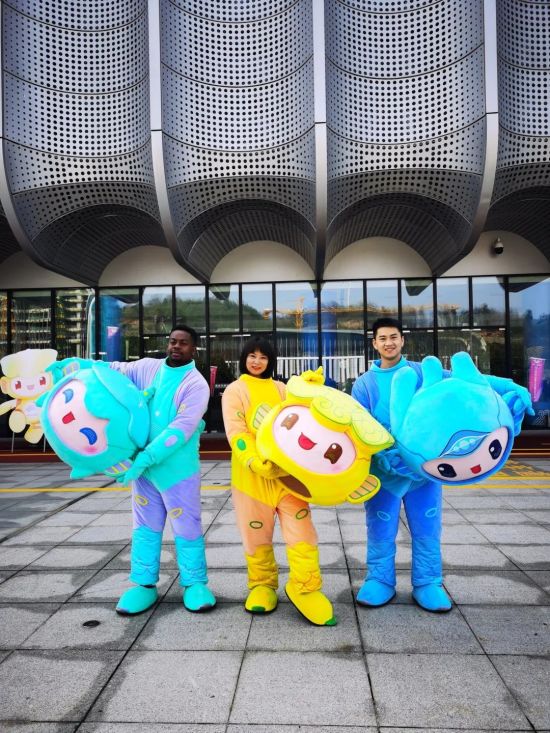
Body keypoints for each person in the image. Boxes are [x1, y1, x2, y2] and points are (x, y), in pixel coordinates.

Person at [352, 317, 532, 612]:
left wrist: (509, 385)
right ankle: (379, 579)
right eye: (382, 338)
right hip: (385, 471)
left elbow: (469, 381)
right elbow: (356, 423)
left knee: (427, 527)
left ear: (402, 340)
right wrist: (377, 456)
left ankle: (428, 582)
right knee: (380, 528)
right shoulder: (365, 384)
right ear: (374, 343)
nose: (389, 343)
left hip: (425, 471)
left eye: (394, 337)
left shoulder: (421, 372)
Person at [51, 325, 215, 616]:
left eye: (183, 343)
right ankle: (143, 583)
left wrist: (144, 458)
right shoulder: (148, 368)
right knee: (145, 527)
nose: (176, 347)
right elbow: (113, 370)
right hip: (145, 473)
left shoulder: (196, 384)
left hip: (177, 472)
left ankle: (194, 583)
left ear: (194, 348)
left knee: (187, 527)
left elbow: (182, 428)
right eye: (173, 341)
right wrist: (77, 365)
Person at [221, 336, 336, 626]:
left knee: (302, 533)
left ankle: (305, 586)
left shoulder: (282, 389)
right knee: (256, 534)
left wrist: (309, 389)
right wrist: (253, 460)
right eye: (252, 355)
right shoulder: (235, 390)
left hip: (288, 478)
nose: (257, 361)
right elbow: (236, 431)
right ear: (244, 358)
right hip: (251, 479)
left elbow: (305, 414)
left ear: (271, 361)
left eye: (263, 357)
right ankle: (262, 584)